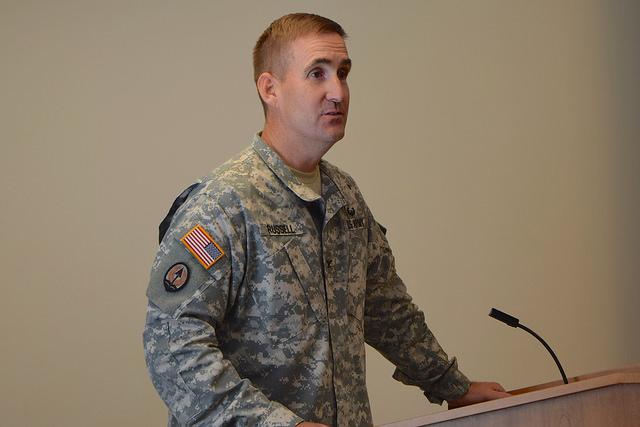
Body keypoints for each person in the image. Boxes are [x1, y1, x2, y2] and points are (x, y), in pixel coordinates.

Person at [143, 13, 509, 427]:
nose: (337, 91)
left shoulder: (344, 196)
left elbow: (383, 307)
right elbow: (173, 346)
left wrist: (451, 385)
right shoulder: (223, 204)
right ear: (270, 89)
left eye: (343, 73)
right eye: (317, 73)